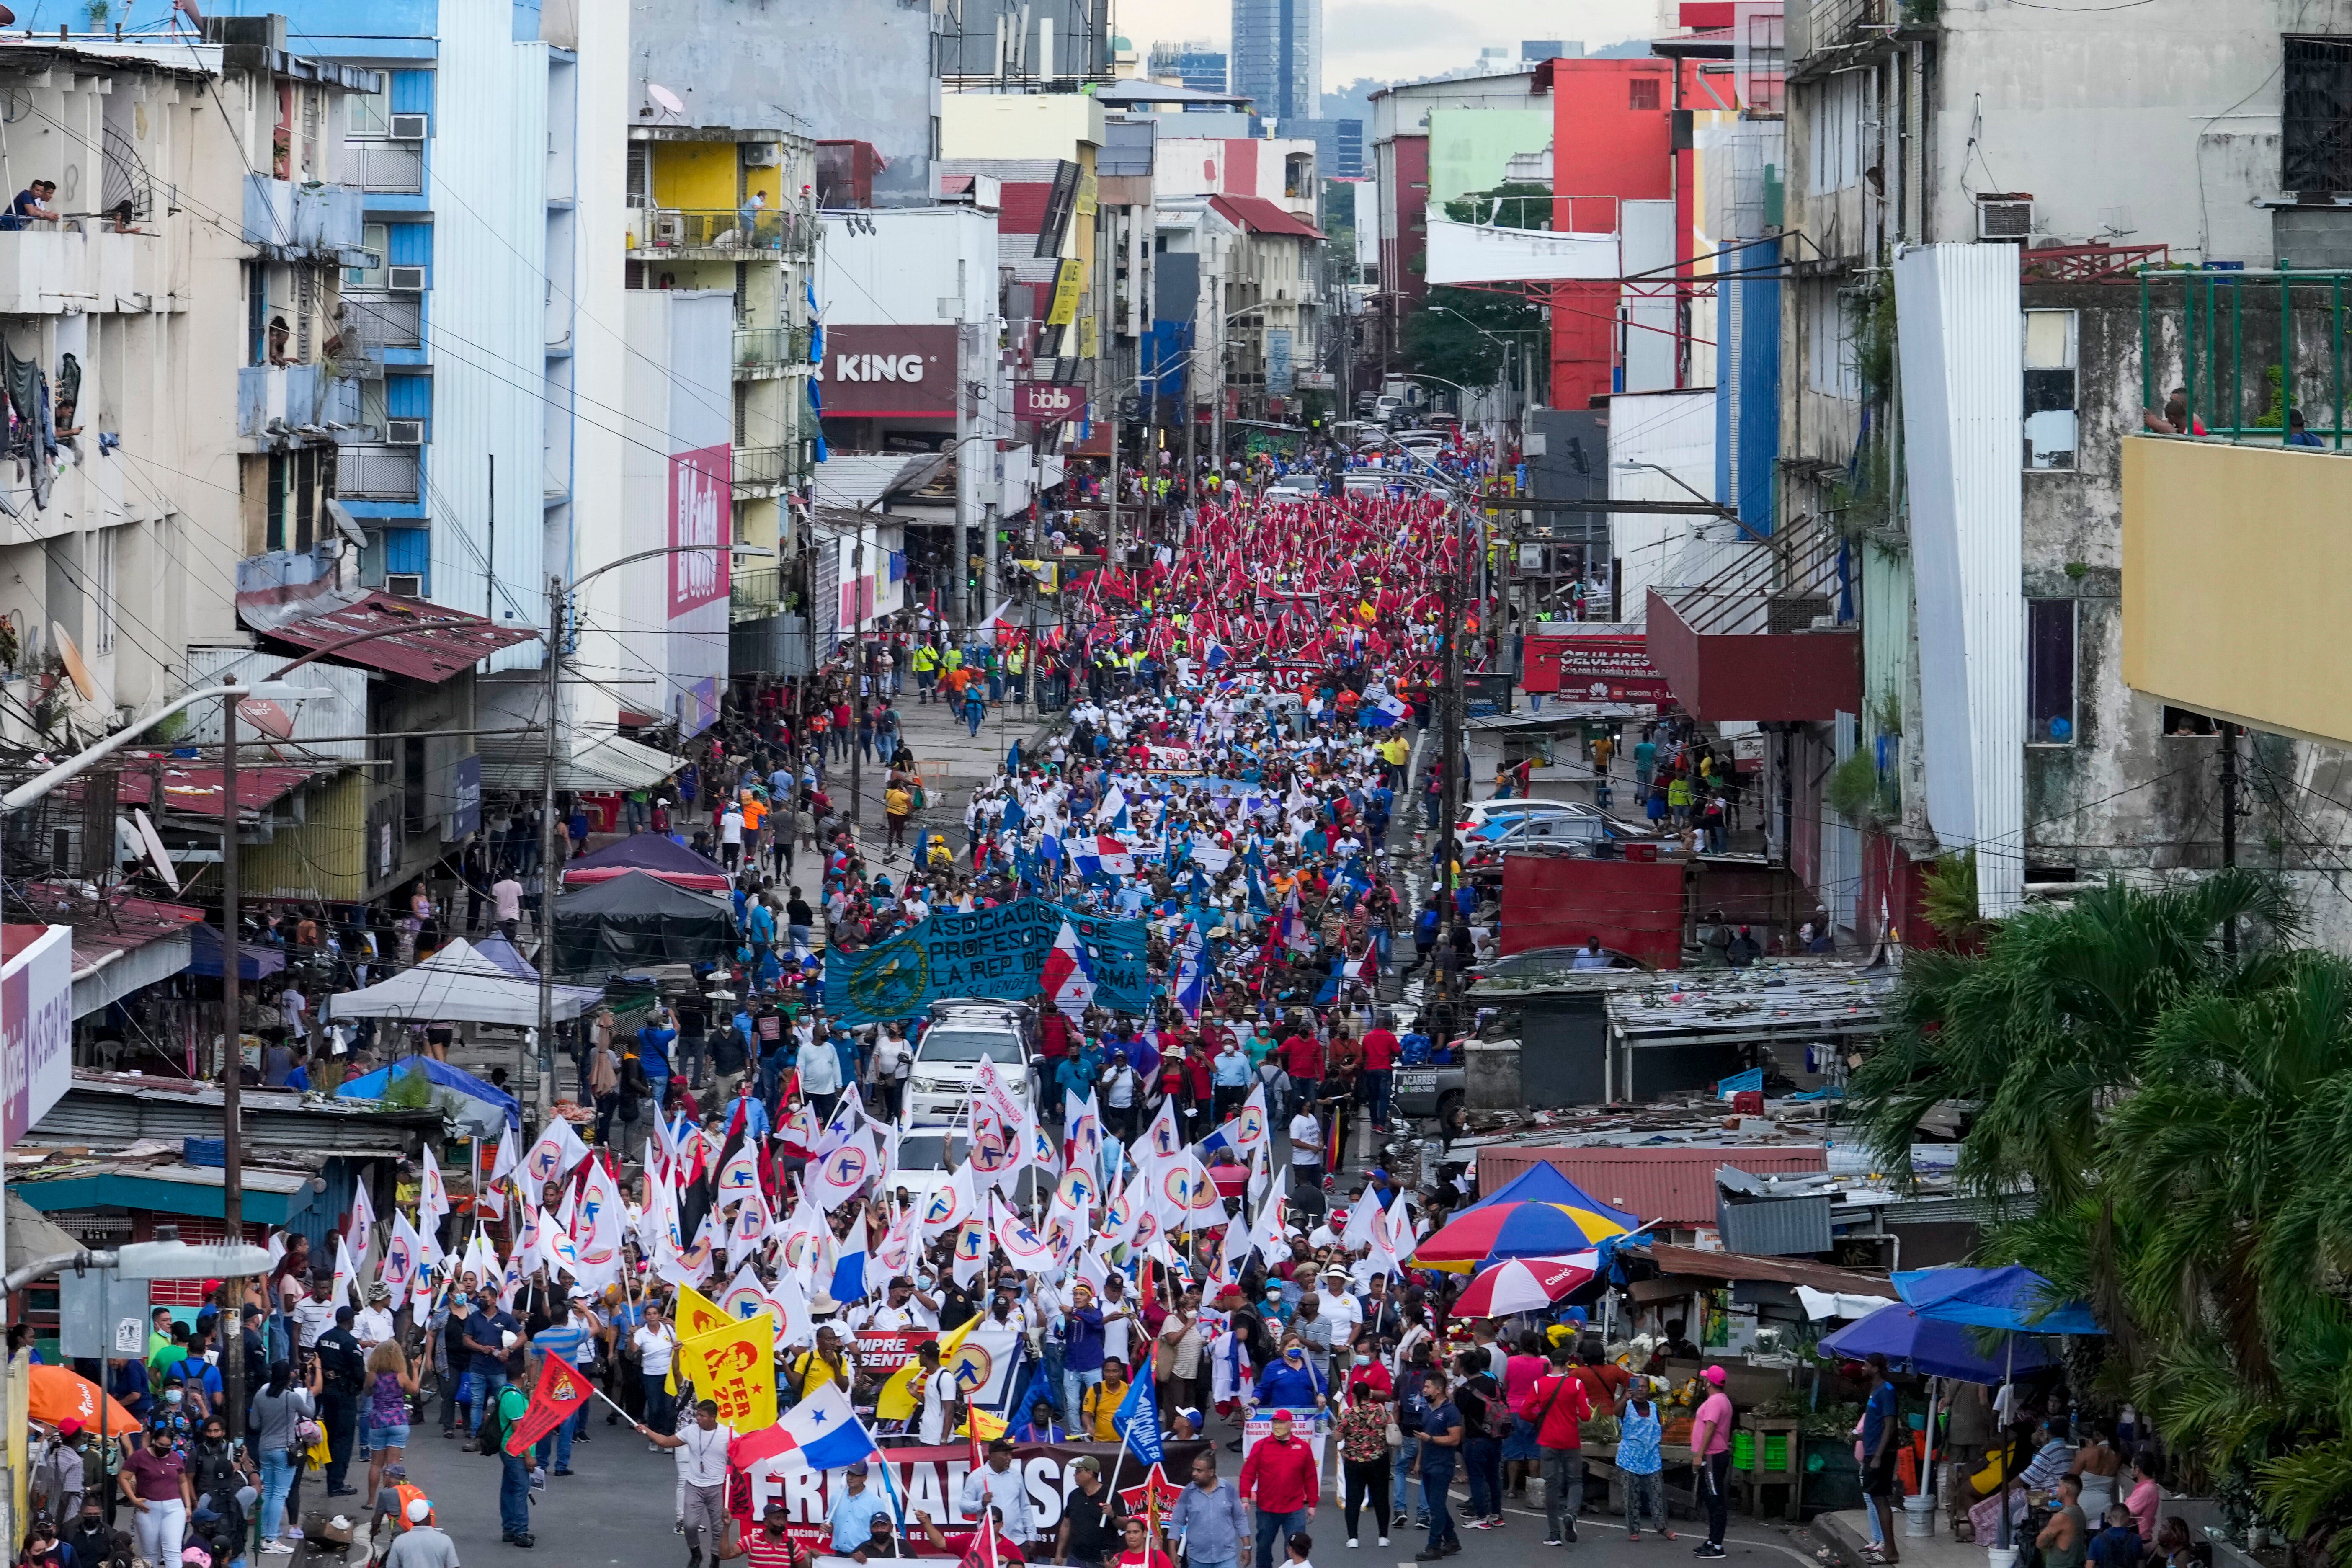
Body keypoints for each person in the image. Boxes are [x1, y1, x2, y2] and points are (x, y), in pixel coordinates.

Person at [640, 1398, 729, 1568]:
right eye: (697, 1414)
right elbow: (665, 1442)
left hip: (718, 1487)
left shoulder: (727, 1434)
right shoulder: (691, 1431)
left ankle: (715, 1560)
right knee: (689, 1525)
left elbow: (743, 1449)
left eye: (702, 1416)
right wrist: (646, 1431)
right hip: (694, 1486)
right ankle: (696, 1553)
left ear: (713, 1417)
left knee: (718, 1528)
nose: (697, 1418)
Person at [250, 1356, 320, 1554]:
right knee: (280, 1494)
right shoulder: (292, 1397)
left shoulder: (260, 1396)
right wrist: (310, 1392)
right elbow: (310, 1413)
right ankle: (271, 1539)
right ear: (289, 1377)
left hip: (265, 1449)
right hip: (285, 1450)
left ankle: (264, 1535)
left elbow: (254, 1425)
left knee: (269, 1492)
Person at [1527, 1344, 1591, 1547]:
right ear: (1566, 1365)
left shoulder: (1539, 1384)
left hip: (1547, 1441)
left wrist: (1538, 1418)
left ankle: (1554, 1534)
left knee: (1551, 1486)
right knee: (1575, 1481)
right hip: (1570, 1440)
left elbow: (1525, 1412)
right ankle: (1571, 1514)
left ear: (1550, 1364)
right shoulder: (1576, 1385)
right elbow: (1586, 1416)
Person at [1240, 1409, 1318, 1568]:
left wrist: (1312, 1505)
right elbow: (1248, 1473)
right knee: (1263, 1548)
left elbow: (1310, 1477)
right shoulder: (1260, 1446)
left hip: (1294, 1509)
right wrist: (1245, 1497)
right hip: (1267, 1509)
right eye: (1275, 1422)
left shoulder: (1302, 1448)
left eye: (1281, 1422)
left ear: (1291, 1425)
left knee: (1295, 1551)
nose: (1278, 1426)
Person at [119, 1423, 194, 1568]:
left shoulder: (175, 1457)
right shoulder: (139, 1456)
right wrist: (133, 1500)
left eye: (168, 1446)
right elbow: (123, 1478)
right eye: (161, 1444)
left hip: (174, 1507)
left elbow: (183, 1481)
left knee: (173, 1551)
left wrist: (188, 1506)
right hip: (148, 1507)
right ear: (154, 1441)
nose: (164, 1448)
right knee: (149, 1553)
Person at [1335, 1379, 1392, 1548]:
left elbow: (1338, 1437)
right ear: (1369, 1395)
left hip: (1354, 1462)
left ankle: (1353, 1538)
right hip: (1379, 1460)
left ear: (1354, 1396)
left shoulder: (1347, 1414)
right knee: (1381, 1498)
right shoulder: (1380, 1410)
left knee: (1354, 1499)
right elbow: (1390, 1425)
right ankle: (1383, 1537)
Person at [1168, 1452, 1249, 1568]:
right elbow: (1177, 1521)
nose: (1194, 1474)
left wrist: (1247, 1547)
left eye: (1199, 1471)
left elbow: (1240, 1519)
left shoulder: (1228, 1490)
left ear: (1211, 1472)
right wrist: (1172, 1550)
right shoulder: (1188, 1492)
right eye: (1194, 1470)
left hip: (1226, 1557)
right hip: (1198, 1559)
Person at [1413, 1371, 1462, 1562]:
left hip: (1442, 1465)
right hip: (1428, 1464)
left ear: (1439, 1390)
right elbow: (1423, 1439)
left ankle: (1434, 1546)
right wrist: (1418, 1461)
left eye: (1428, 1387)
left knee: (1436, 1507)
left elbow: (1455, 1439)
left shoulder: (1450, 1412)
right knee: (1436, 1505)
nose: (1424, 1390)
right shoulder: (1428, 1409)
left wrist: (1431, 1439)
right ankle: (1452, 1540)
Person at [1618, 1377, 1673, 1540]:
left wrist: (1668, 1426)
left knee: (1658, 1493)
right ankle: (1634, 1530)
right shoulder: (1626, 1406)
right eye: (1638, 1386)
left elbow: (1654, 1429)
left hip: (1651, 1457)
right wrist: (1624, 1398)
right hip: (1630, 1457)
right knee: (1631, 1496)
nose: (1641, 1389)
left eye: (1644, 1386)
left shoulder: (1654, 1407)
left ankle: (1663, 1527)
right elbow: (1615, 1412)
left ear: (1649, 1390)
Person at [1690, 1364, 1736, 1559]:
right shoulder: (1722, 1400)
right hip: (1715, 1454)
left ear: (1709, 1382)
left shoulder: (1715, 1402)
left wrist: (1700, 1455)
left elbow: (1710, 1428)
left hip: (1712, 1455)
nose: (1703, 1382)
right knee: (1710, 1496)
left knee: (1715, 1498)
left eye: (1705, 1379)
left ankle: (1717, 1545)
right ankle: (1712, 1540)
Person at [1860, 1352, 1901, 1560]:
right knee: (1877, 1499)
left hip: (1880, 1454)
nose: (1862, 1369)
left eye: (1866, 1366)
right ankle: (1887, 1548)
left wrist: (1878, 1456)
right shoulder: (1875, 1391)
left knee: (1881, 1500)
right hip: (1872, 1451)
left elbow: (1890, 1425)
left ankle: (1891, 1550)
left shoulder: (1886, 1391)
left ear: (1876, 1368)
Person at [1052, 1455, 1123, 1567]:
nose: (1075, 1475)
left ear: (1090, 1473)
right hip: (1076, 1558)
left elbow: (1125, 1525)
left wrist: (1112, 1515)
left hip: (1102, 1561)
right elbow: (1066, 1525)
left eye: (1078, 1472)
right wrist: (1059, 1553)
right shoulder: (1074, 1496)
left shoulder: (1111, 1495)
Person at [382, 1497, 463, 1568]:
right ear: (429, 1515)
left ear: (410, 1519)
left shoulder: (400, 1541)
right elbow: (453, 1566)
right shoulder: (445, 1540)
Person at [2037, 1475, 2089, 1568]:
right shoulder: (2080, 1513)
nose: (2057, 1490)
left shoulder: (2062, 1517)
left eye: (2059, 1486)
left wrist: (2050, 1540)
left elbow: (2040, 1543)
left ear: (2066, 1490)